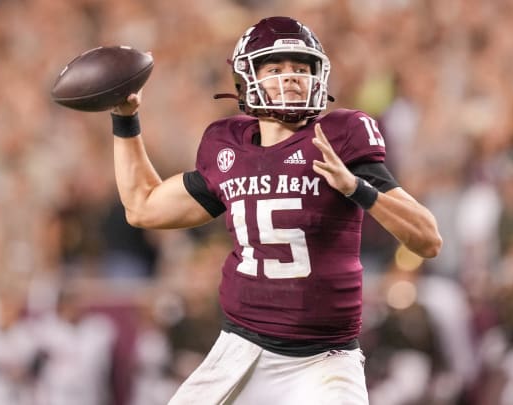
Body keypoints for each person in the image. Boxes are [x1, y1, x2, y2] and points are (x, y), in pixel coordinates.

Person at [107, 16, 442, 405]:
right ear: (247, 78)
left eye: (301, 68)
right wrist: (125, 119)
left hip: (325, 359)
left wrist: (356, 188)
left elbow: (428, 239)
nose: (292, 78)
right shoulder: (228, 147)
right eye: (276, 68)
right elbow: (143, 207)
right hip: (241, 348)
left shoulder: (340, 137)